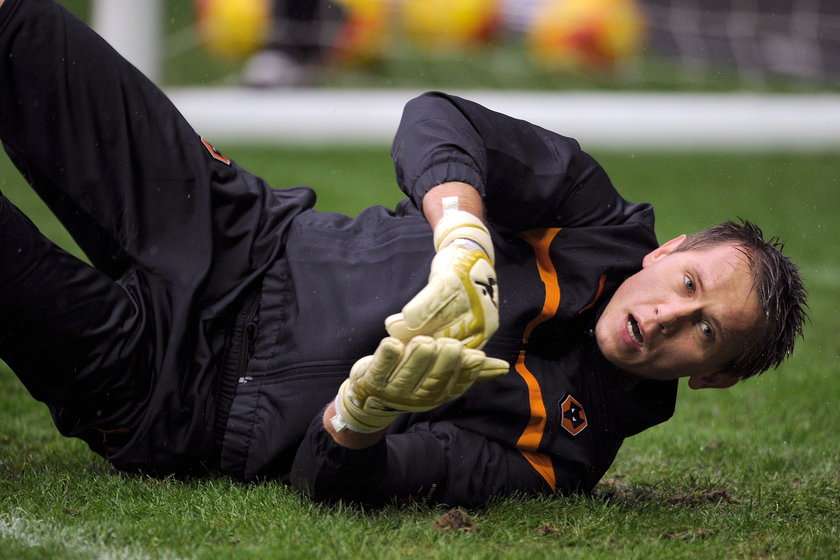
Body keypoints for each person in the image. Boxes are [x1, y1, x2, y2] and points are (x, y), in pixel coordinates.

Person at [0, 0, 806, 508]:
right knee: (28, 31)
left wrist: (361, 416)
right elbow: (437, 118)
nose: (669, 315)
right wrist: (462, 229)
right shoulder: (589, 213)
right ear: (668, 251)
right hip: (236, 231)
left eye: (705, 331)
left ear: (714, 377)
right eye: (689, 283)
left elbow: (343, 480)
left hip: (178, 392)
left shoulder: (560, 458)